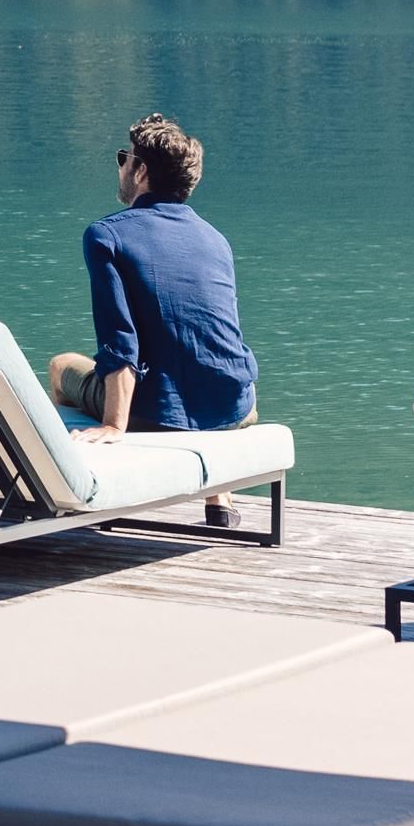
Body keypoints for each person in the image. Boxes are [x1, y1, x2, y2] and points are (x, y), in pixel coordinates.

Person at [48, 114, 262, 527]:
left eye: (123, 159)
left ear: (141, 170)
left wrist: (113, 423)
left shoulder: (106, 234)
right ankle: (220, 501)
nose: (121, 167)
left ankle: (86, 494)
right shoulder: (215, 239)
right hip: (235, 403)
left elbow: (119, 339)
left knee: (61, 366)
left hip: (154, 411)